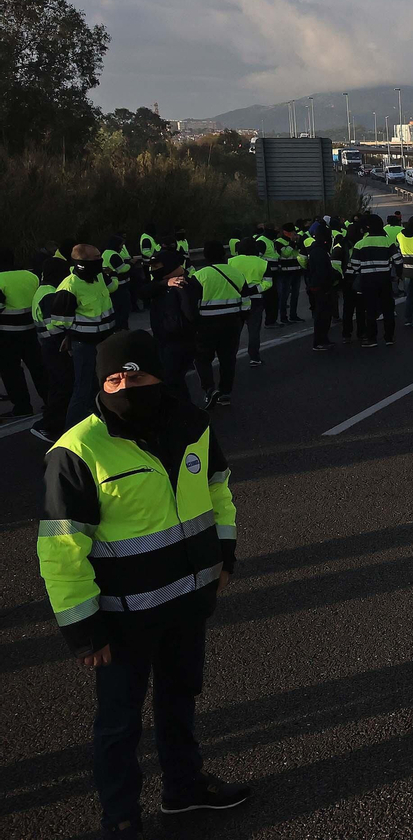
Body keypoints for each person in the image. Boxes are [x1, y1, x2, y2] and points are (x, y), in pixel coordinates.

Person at [37, 330, 250, 838]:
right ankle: (121, 817)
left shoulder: (193, 426)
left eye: (136, 376)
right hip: (121, 617)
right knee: (119, 723)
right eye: (113, 379)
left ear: (158, 375)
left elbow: (218, 490)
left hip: (188, 600)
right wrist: (83, 627)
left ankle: (183, 789)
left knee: (180, 699)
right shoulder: (78, 450)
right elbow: (61, 547)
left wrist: (224, 556)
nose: (126, 387)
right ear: (100, 384)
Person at [54, 244, 119, 428]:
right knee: (83, 388)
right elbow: (59, 321)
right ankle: (72, 430)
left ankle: (100, 423)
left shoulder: (99, 276)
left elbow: (111, 289)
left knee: (103, 384)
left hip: (105, 341)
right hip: (85, 345)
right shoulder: (69, 287)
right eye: (96, 257)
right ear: (82, 262)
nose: (100, 260)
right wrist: (70, 338)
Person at [190, 242, 248, 409]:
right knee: (228, 359)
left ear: (205, 256)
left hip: (206, 325)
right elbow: (246, 301)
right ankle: (225, 393)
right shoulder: (237, 274)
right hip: (232, 323)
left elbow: (192, 304)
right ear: (223, 254)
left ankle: (209, 389)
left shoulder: (200, 276)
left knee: (202, 358)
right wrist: (241, 319)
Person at [140, 250, 200, 402]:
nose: (153, 270)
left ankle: (185, 410)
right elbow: (143, 292)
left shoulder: (184, 285)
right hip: (164, 340)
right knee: (171, 380)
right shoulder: (162, 284)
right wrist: (164, 283)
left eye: (156, 266)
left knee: (172, 380)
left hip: (179, 341)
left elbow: (191, 316)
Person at [0, 248, 46, 422]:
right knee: (38, 367)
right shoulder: (31, 276)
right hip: (31, 330)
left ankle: (22, 407)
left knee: (11, 372)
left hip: (6, 334)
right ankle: (50, 400)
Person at [31, 258, 73, 442]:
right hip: (55, 347)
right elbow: (55, 327)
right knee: (62, 386)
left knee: (58, 385)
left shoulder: (43, 290)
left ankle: (53, 422)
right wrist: (68, 341)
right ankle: (47, 425)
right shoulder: (49, 294)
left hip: (48, 345)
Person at [351, 217, 399, 347]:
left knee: (370, 309)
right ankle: (389, 337)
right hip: (384, 279)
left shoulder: (360, 244)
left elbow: (355, 265)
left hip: (368, 280)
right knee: (388, 309)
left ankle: (372, 338)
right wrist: (396, 274)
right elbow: (398, 260)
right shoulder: (388, 242)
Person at [226, 239, 272, 368]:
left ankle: (230, 357)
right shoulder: (263, 263)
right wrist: (255, 289)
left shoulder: (231, 261)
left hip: (237, 300)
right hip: (255, 300)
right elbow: (268, 282)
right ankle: (254, 357)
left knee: (234, 332)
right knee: (254, 330)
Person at [304, 227, 339, 352]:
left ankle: (323, 339)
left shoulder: (317, 250)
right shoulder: (319, 252)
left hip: (319, 285)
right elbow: (322, 271)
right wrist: (333, 277)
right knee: (322, 315)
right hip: (321, 287)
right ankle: (319, 341)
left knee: (324, 315)